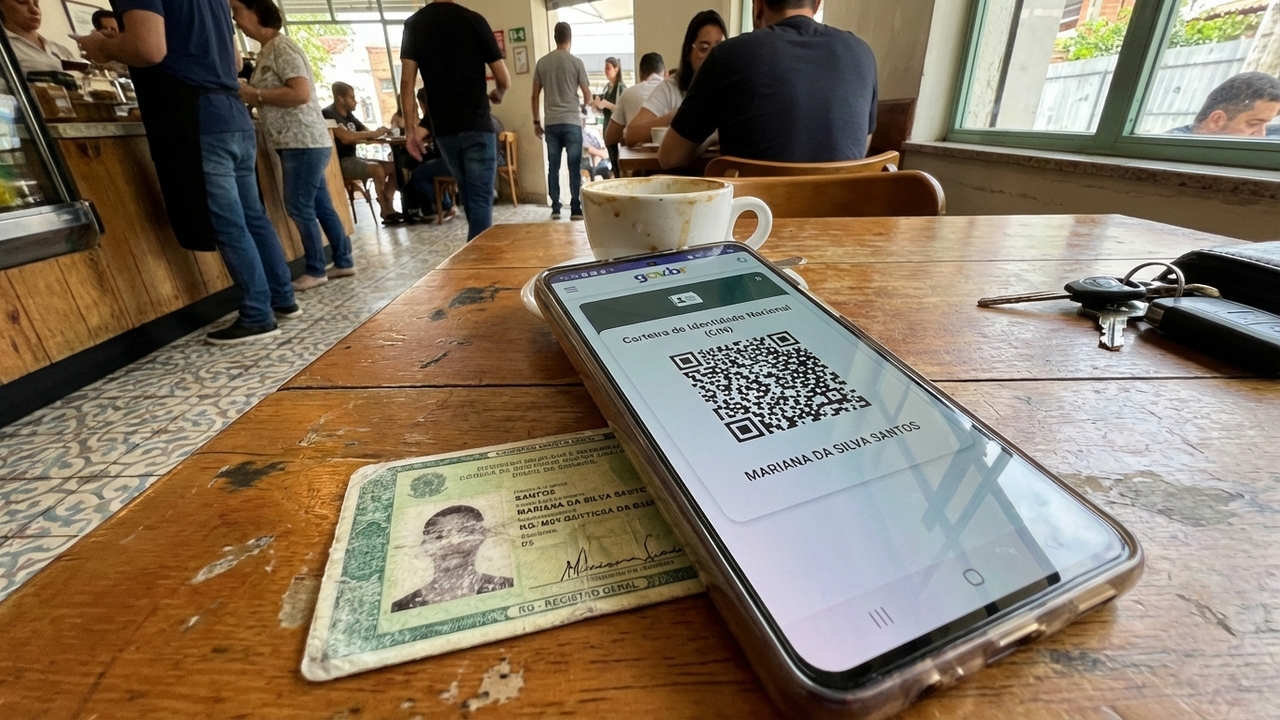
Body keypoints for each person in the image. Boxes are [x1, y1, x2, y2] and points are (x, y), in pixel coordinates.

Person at [77, 0, 299, 345]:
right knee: (253, 216)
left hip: (196, 117)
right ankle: (282, 297)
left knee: (229, 224)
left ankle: (258, 314)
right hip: (232, 112)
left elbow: (148, 48)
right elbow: (235, 62)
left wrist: (102, 46)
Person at [660, 0, 879, 169]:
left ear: (758, 5)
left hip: (755, 214)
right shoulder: (862, 55)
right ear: (817, 3)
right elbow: (861, 148)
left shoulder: (727, 56)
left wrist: (711, 137)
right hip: (844, 213)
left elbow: (669, 157)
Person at [232, 0, 355, 292]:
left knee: (299, 206)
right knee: (320, 204)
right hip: (303, 140)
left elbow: (300, 94)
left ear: (256, 12)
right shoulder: (270, 49)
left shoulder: (281, 48)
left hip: (302, 141)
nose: (235, 19)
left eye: (238, 10)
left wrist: (254, 94)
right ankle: (343, 260)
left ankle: (315, 269)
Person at [400, 0, 510, 241]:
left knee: (469, 197)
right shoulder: (474, 20)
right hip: (477, 126)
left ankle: (474, 252)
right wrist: (498, 94)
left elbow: (407, 83)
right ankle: (477, 257)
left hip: (445, 131)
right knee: (479, 200)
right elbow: (503, 79)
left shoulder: (414, 24)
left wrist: (410, 131)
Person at [624, 11, 726, 148]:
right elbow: (631, 135)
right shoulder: (672, 87)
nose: (712, 57)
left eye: (720, 49)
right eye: (704, 49)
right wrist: (675, 119)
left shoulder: (735, 87)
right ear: (688, 52)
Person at [390, 505, 514, 611]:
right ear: (425, 546)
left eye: (465, 534)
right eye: (439, 537)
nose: (453, 543)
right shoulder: (400, 607)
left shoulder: (506, 586)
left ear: (482, 536)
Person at [532, 22, 591, 220]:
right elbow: (587, 95)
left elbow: (534, 95)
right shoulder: (576, 63)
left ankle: (556, 207)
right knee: (574, 167)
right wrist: (583, 109)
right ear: (570, 39)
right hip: (572, 121)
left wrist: (536, 121)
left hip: (552, 123)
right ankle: (575, 208)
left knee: (553, 166)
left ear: (555, 37)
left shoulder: (542, 63)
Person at [322, 82, 403, 226]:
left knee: (395, 166)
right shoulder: (329, 114)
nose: (356, 101)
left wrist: (382, 132)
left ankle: (387, 201)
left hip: (354, 158)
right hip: (340, 162)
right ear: (340, 98)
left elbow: (365, 131)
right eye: (352, 98)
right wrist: (373, 134)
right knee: (377, 169)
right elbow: (345, 137)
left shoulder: (349, 116)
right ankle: (386, 211)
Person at [1164, 72, 1280, 138]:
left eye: (1265, 125)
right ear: (1217, 120)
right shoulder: (1169, 152)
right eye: (1253, 124)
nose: (1262, 135)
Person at [403, 88, 457, 224]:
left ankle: (446, 205)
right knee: (429, 167)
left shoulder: (432, 114)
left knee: (418, 174)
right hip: (464, 157)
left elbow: (416, 136)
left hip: (450, 161)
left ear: (422, 103)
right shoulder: (451, 109)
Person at [605, 52, 664, 148]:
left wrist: (627, 136)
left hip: (636, 155)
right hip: (670, 154)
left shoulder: (628, 93)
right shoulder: (674, 91)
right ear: (664, 74)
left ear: (640, 74)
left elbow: (610, 137)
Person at [1, 0, 78, 75]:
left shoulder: (61, 49)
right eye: (22, 2)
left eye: (36, 3)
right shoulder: (3, 48)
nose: (34, 10)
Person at [591, 56, 625, 175]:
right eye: (605, 68)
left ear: (616, 69)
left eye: (608, 68)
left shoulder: (620, 88)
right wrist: (597, 105)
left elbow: (621, 109)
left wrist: (607, 104)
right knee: (612, 158)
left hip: (616, 128)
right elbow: (603, 110)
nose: (605, 71)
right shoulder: (607, 88)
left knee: (618, 159)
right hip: (607, 126)